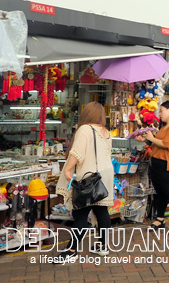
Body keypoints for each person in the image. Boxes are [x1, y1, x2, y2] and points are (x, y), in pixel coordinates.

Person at [55, 102, 115, 262]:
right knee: (101, 211)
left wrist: (67, 169)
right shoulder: (106, 132)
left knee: (80, 213)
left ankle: (72, 250)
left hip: (88, 176)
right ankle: (103, 246)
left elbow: (77, 153)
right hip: (104, 176)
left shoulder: (85, 129)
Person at [137, 100, 169, 235]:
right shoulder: (164, 127)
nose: (159, 114)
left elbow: (167, 144)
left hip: (167, 165)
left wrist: (151, 138)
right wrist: (146, 140)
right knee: (159, 193)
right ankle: (160, 219)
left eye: (161, 111)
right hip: (156, 163)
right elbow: (158, 143)